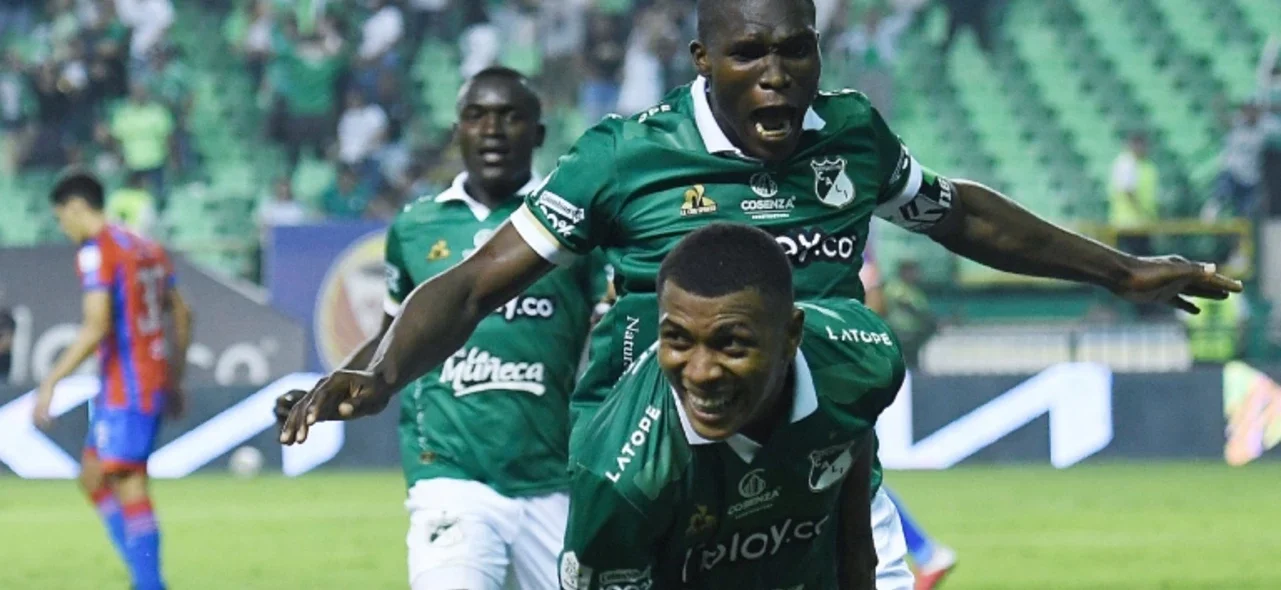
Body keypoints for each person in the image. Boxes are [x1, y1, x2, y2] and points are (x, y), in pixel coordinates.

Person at [280, 0, 1241, 587]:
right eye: (750, 54)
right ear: (704, 61)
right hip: (664, 484)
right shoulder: (626, 157)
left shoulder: (850, 135)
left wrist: (1117, 271)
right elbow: (480, 280)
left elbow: (958, 216)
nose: (778, 75)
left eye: (797, 49)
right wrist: (381, 373)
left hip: (821, 474)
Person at [277, 67, 605, 590]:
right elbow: (391, 335)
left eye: (510, 117)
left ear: (538, 133)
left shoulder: (573, 223)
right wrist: (331, 386)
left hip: (554, 481)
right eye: (476, 117)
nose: (492, 130)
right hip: (450, 479)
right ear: (457, 133)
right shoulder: (415, 227)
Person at [561, 223, 900, 588]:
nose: (701, 373)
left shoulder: (864, 359)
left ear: (791, 335)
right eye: (677, 340)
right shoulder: (619, 481)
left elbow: (856, 538)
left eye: (732, 344)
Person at [33, 170, 192, 590]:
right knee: (93, 474)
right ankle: (144, 576)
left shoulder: (98, 251)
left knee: (128, 480)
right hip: (146, 378)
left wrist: (50, 381)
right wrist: (174, 376)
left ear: (76, 207)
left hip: (129, 383)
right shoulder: (148, 247)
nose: (63, 227)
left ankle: (149, 584)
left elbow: (96, 325)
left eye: (61, 217)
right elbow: (183, 313)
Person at [861, 236, 957, 590]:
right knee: (848, 475)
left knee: (849, 475)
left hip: (836, 373)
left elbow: (874, 296)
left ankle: (926, 551)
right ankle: (926, 551)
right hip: (847, 367)